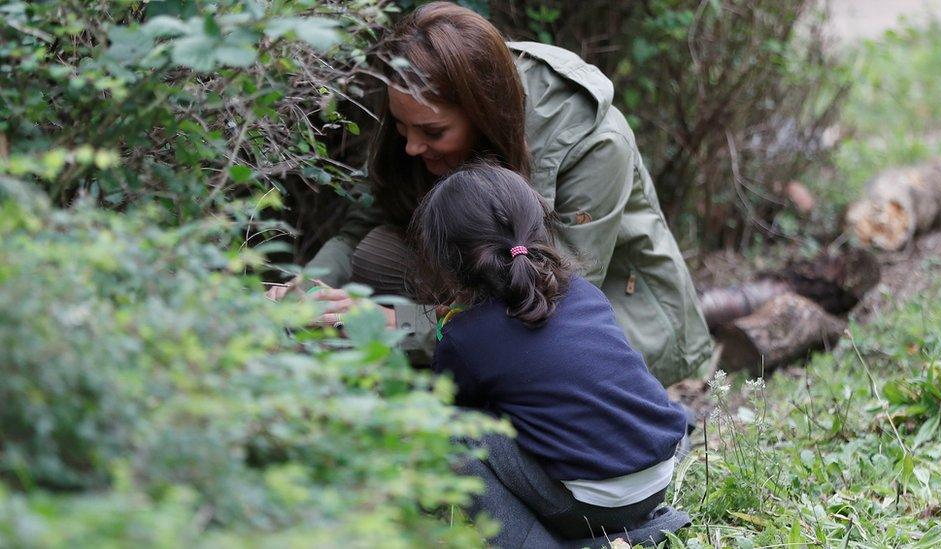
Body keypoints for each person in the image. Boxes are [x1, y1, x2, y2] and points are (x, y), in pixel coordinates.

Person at [268, 1, 712, 387]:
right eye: (401, 128)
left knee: (527, 341)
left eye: (432, 132)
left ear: (483, 114)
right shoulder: (422, 109)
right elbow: (363, 224)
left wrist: (392, 324)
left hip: (598, 315)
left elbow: (552, 303)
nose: (411, 147)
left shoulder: (590, 143)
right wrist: (308, 288)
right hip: (493, 291)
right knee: (376, 252)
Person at [410, 163, 690, 546]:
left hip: (591, 502)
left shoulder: (464, 337)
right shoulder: (584, 292)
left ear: (447, 260)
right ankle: (636, 530)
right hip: (657, 475)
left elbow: (452, 410)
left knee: (449, 432)